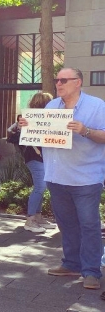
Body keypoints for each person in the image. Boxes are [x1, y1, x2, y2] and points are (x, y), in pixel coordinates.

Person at [19, 68, 105, 290]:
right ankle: (71, 264)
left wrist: (85, 131)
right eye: (57, 80)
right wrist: (29, 128)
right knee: (66, 224)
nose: (58, 83)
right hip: (57, 176)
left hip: (86, 178)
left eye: (64, 80)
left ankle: (91, 271)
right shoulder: (51, 106)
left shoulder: (97, 106)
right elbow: (42, 136)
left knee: (89, 225)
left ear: (78, 82)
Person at [21, 94, 55, 233]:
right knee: (40, 187)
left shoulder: (35, 118)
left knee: (41, 187)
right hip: (35, 156)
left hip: (39, 156)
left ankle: (38, 216)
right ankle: (30, 220)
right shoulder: (30, 119)